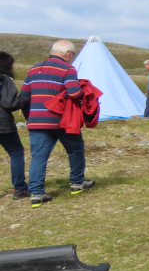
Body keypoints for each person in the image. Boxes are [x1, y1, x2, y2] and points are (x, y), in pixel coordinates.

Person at [20, 40, 96, 206]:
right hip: (61, 120)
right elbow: (74, 92)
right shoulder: (68, 69)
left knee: (38, 157)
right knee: (75, 149)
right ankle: (77, 183)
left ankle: (36, 194)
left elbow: (24, 98)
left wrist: (29, 117)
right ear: (68, 54)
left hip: (36, 122)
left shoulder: (33, 69)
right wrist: (85, 91)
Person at [0, 52, 29, 200]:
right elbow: (9, 103)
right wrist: (26, 99)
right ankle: (20, 189)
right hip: (2, 125)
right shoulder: (5, 80)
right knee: (16, 152)